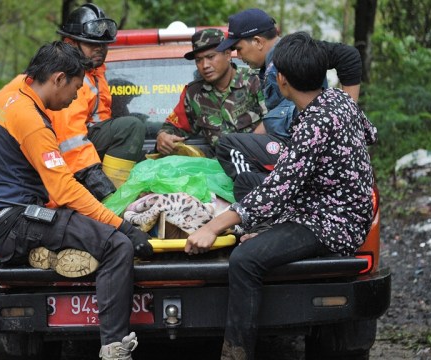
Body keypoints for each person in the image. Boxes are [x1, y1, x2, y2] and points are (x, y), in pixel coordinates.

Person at [185, 31, 378, 360]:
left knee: (244, 260)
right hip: (326, 205)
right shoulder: (340, 101)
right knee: (249, 184)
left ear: (284, 81)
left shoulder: (313, 124)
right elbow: (370, 133)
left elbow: (277, 190)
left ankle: (236, 352)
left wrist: (213, 226)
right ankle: (264, 233)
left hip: (331, 222)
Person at [0, 41, 153, 360]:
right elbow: (64, 189)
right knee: (117, 246)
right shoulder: (31, 121)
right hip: (14, 222)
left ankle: (47, 252)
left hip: (0, 217)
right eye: (75, 88)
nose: (73, 99)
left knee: (85, 228)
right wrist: (122, 226)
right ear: (57, 79)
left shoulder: (9, 97)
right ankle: (114, 348)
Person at [213, 8, 363, 202]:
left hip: (306, 144)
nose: (238, 56)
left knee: (228, 147)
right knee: (246, 177)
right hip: (296, 143)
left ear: (258, 41)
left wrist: (347, 115)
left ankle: (273, 199)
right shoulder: (269, 66)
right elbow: (277, 114)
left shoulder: (294, 52)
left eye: (238, 49)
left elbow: (348, 56)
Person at [49, 3, 146, 195]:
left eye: (103, 44)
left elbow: (100, 122)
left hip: (88, 154)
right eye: (92, 44)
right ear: (71, 43)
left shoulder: (95, 73)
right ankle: (113, 201)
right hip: (73, 166)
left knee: (134, 123)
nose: (100, 49)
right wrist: (102, 188)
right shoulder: (66, 78)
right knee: (131, 126)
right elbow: (70, 140)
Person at [155, 28, 264, 156]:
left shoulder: (256, 81)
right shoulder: (194, 94)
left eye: (210, 57)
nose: (204, 65)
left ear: (228, 55)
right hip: (219, 169)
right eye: (198, 60)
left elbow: (275, 122)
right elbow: (173, 127)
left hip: (259, 163)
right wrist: (162, 136)